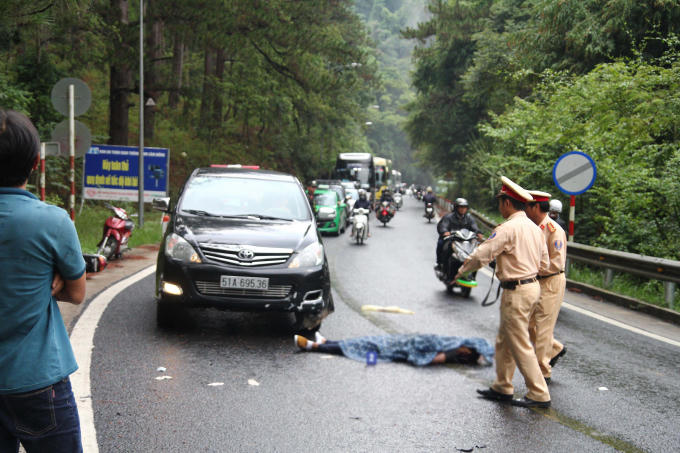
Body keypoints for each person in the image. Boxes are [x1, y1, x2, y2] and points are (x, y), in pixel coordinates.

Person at [0, 109, 87, 452]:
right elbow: (77, 293)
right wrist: (50, 281)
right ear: (36, 163)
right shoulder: (52, 222)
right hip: (36, 380)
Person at [453, 176, 551, 408]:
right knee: (505, 339)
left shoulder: (507, 228)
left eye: (500, 202)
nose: (499, 206)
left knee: (519, 342)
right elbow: (544, 264)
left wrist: (462, 271)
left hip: (516, 290)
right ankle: (502, 386)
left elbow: (481, 255)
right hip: (531, 287)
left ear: (507, 203)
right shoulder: (535, 229)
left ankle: (539, 393)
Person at [526, 190, 568, 384]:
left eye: (527, 206)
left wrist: (531, 268)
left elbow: (556, 263)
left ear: (535, 207)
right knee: (529, 324)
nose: (524, 211)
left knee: (543, 327)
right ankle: (555, 349)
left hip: (551, 280)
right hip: (537, 280)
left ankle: (543, 371)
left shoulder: (553, 230)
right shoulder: (533, 227)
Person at [294, 332, 494, 366]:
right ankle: (327, 341)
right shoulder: (454, 343)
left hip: (400, 347)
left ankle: (314, 346)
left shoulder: (451, 352)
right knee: (364, 340)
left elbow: (430, 359)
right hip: (404, 340)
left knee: (366, 346)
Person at [435, 198, 483, 271]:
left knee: (476, 251)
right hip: (452, 239)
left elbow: (474, 227)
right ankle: (440, 264)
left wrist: (478, 233)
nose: (463, 209)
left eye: (465, 207)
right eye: (461, 207)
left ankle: (471, 270)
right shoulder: (448, 217)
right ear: (456, 207)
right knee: (440, 243)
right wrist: (445, 232)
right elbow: (443, 226)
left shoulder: (469, 218)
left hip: (465, 241)